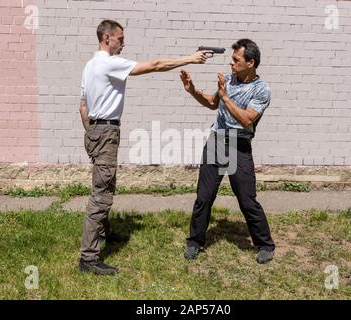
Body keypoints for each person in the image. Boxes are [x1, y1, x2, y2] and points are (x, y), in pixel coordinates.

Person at [79, 19, 208, 275]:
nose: (123, 43)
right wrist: (191, 59)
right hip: (105, 131)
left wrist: (92, 133)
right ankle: (89, 258)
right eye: (120, 39)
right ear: (106, 38)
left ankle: (104, 234)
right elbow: (157, 65)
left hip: (95, 130)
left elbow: (83, 106)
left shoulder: (89, 65)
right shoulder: (109, 63)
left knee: (106, 184)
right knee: (102, 194)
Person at [180, 39, 275, 264]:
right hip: (216, 141)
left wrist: (225, 96)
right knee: (204, 197)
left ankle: (265, 244)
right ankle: (195, 241)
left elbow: (246, 119)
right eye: (232, 59)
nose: (231, 64)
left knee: (247, 199)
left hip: (239, 145)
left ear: (250, 63)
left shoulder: (262, 90)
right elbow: (213, 102)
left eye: (236, 60)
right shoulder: (230, 80)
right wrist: (192, 90)